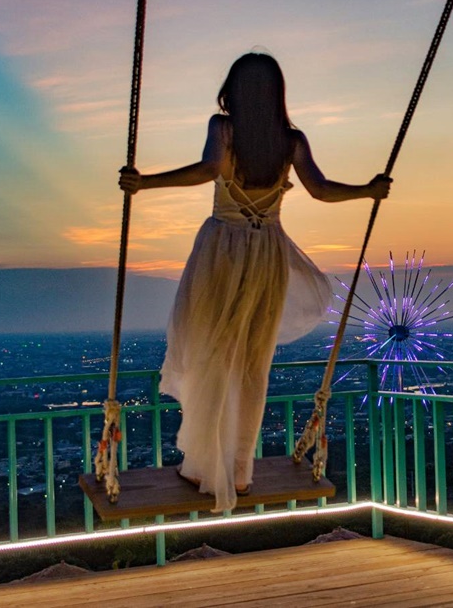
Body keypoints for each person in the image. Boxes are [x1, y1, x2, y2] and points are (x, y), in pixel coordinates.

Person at [118, 52, 390, 511]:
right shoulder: (291, 141)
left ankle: (203, 466)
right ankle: (238, 472)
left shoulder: (223, 129)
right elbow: (321, 190)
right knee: (250, 364)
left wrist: (145, 183)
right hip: (267, 255)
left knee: (210, 354)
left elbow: (208, 170)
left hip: (221, 251)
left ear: (235, 89)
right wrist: (367, 190)